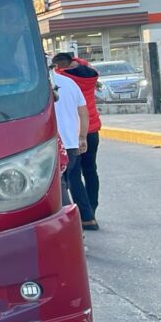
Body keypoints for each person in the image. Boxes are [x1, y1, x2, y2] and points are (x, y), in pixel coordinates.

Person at [52, 53, 103, 216]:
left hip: (74, 131)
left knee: (74, 175)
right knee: (91, 170)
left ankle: (85, 212)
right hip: (92, 129)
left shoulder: (62, 79)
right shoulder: (90, 76)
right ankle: (92, 207)